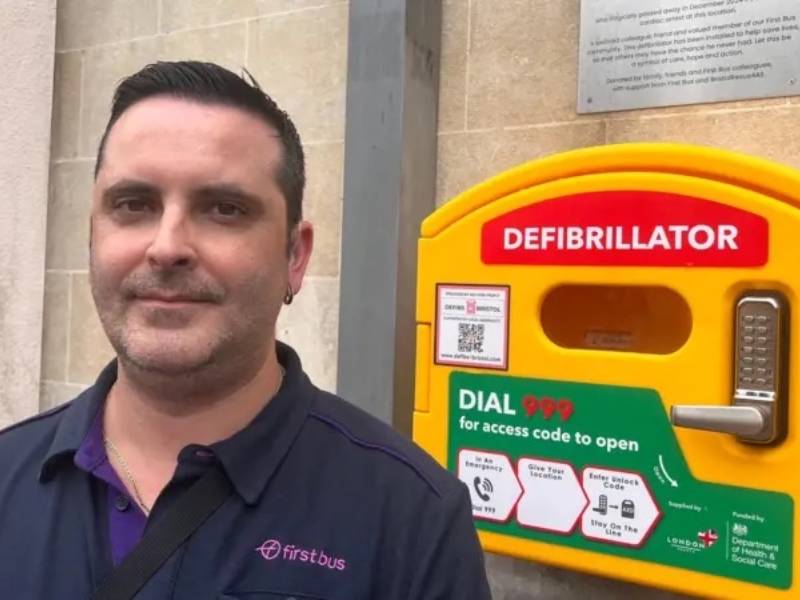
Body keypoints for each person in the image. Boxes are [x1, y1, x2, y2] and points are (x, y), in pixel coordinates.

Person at [0, 61, 492, 599]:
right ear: (93, 235)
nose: (167, 247)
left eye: (225, 209)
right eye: (134, 205)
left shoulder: (412, 520)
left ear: (295, 256)